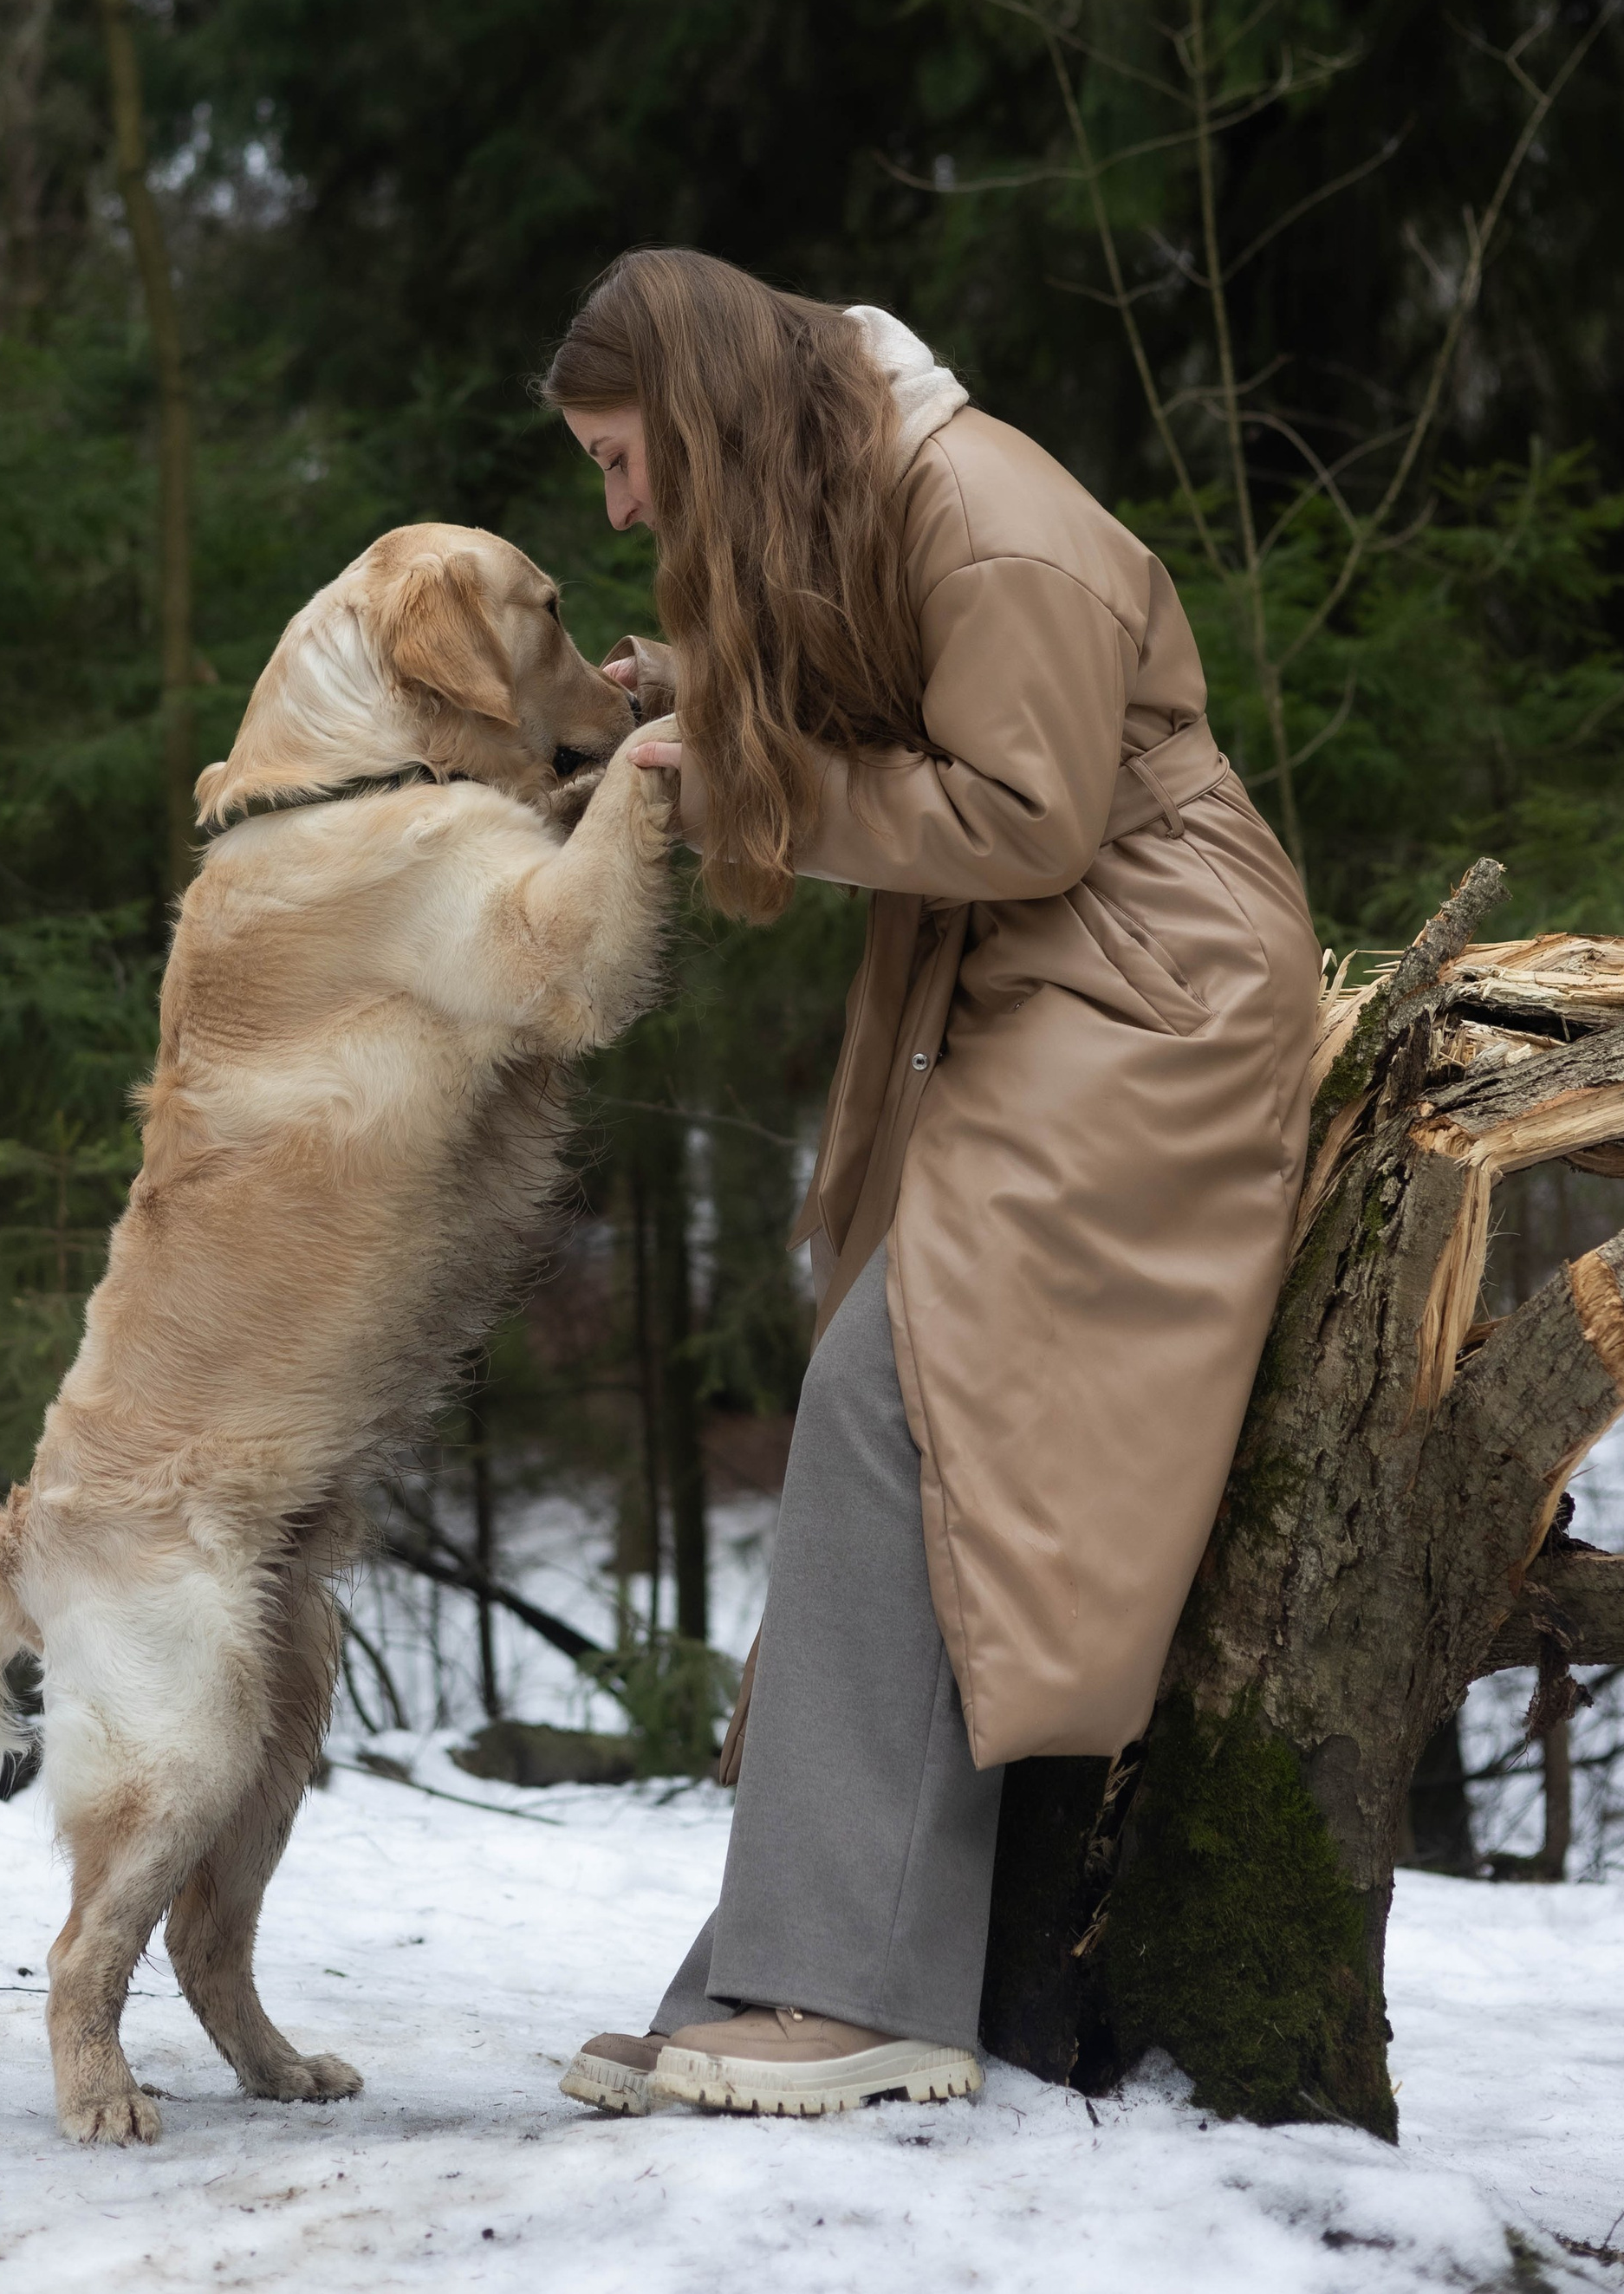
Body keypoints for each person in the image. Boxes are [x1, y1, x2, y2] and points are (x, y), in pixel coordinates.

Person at [541, 248, 1321, 2122]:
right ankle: (781, 1964)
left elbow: (1023, 814)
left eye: (625, 456)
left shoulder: (986, 512)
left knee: (896, 1389)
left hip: (1154, 995)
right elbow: (888, 687)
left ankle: (846, 1995)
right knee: (879, 1392)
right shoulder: (881, 493)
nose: (619, 500)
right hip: (1057, 977)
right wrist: (677, 689)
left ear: (710, 415)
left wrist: (742, 779)